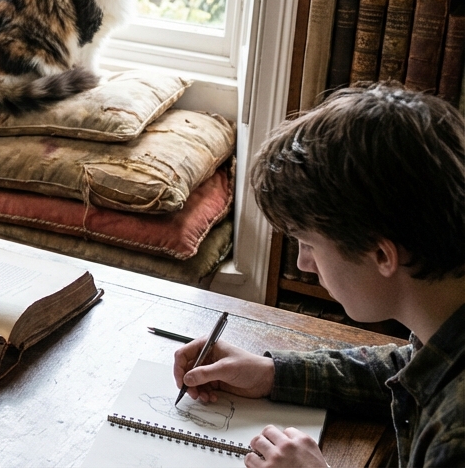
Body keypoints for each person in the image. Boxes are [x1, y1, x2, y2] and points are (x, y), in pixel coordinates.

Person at [171, 84, 465, 467]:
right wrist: (273, 374)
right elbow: (407, 368)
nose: (302, 265)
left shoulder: (455, 437)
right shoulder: (444, 320)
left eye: (308, 244)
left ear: (381, 254)